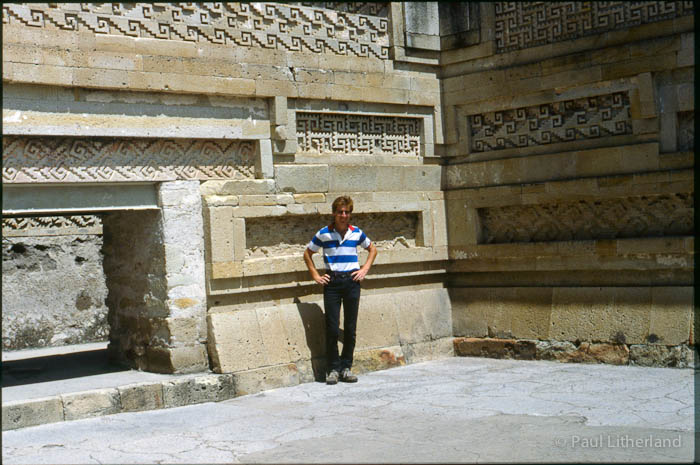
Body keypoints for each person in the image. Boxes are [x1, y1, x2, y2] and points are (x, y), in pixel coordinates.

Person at [303, 196, 378, 385]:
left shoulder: (356, 233)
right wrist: (316, 276)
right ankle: (333, 369)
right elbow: (307, 253)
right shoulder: (324, 234)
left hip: (352, 281)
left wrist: (364, 269)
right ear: (334, 213)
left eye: (347, 212)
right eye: (340, 212)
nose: (344, 215)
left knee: (351, 328)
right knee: (332, 328)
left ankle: (346, 367)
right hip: (333, 282)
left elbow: (373, 249)